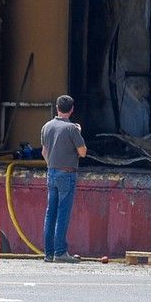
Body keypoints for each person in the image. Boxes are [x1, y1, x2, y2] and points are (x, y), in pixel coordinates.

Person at [40, 94, 86, 263]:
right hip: (67, 174)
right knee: (63, 214)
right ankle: (60, 252)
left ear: (57, 108)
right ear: (72, 109)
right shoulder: (72, 129)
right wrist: (79, 132)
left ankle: (48, 253)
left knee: (50, 213)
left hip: (51, 172)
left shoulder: (46, 127)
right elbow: (82, 152)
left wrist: (52, 164)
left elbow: (44, 152)